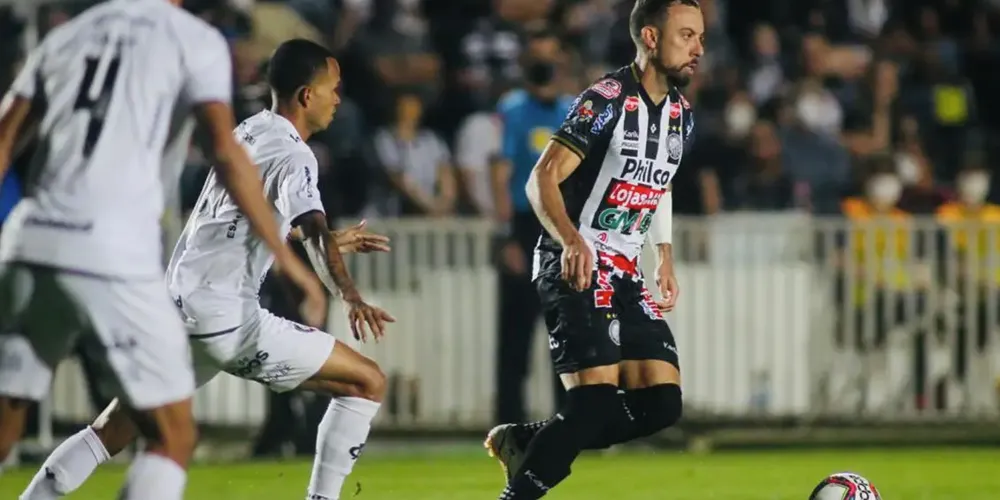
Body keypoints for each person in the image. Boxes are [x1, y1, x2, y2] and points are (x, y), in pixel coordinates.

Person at [16, 39, 394, 500]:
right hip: (226, 321)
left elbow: (243, 221)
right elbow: (311, 229)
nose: (339, 98)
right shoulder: (296, 156)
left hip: (175, 310)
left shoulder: (249, 132)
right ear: (306, 95)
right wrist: (350, 295)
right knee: (366, 381)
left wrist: (326, 241)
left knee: (111, 430)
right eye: (333, 88)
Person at [486, 1, 702, 498]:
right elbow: (541, 180)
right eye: (686, 35)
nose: (698, 48)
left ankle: (528, 439)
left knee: (663, 405)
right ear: (650, 37)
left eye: (700, 37)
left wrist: (663, 252)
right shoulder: (605, 99)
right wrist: (571, 240)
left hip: (627, 269)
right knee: (595, 406)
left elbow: (659, 183)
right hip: (577, 264)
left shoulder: (682, 117)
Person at [492, 28, 575, 425]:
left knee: (568, 328)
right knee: (516, 332)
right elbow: (501, 171)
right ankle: (510, 422)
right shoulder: (513, 109)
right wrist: (505, 233)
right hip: (525, 225)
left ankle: (571, 419)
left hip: (561, 224)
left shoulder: (571, 109)